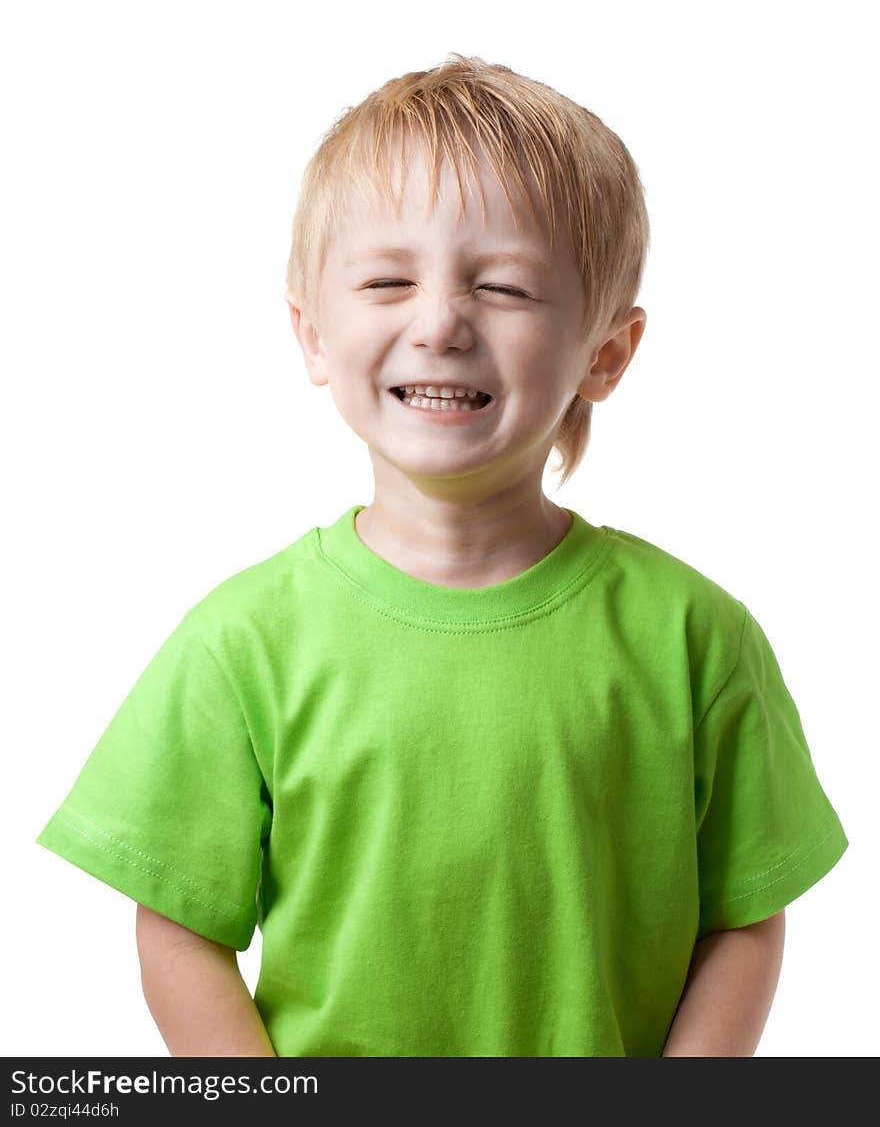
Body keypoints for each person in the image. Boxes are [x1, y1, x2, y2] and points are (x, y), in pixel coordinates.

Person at [35, 52, 849, 1058]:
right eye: (386, 279)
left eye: (503, 285)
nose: (439, 325)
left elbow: (744, 913)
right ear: (312, 334)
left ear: (606, 351)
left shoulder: (694, 636)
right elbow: (178, 927)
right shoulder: (241, 640)